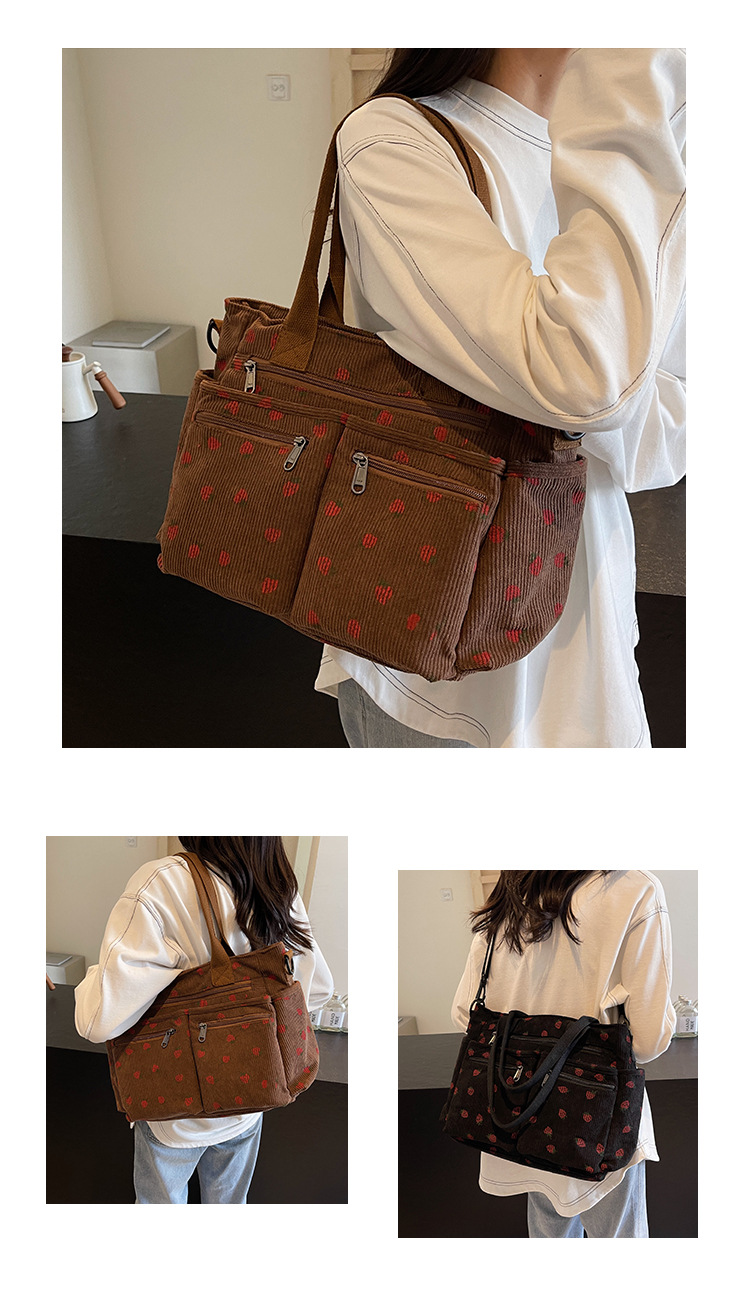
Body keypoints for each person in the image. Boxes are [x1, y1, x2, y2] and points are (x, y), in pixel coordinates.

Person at [315, 49, 686, 747]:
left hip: (592, 652)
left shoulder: (628, 151)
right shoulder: (394, 141)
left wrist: (573, 397)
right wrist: (585, 398)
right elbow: (590, 380)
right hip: (436, 688)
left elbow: (669, 429)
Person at [74, 837, 334, 1204]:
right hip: (251, 1098)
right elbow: (319, 989)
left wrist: (94, 977)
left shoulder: (162, 883)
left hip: (174, 1114)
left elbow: (96, 1021)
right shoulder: (275, 881)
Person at [450, 870, 675, 1237]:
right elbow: (649, 1041)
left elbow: (464, 1012)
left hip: (516, 1114)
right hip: (596, 1117)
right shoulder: (634, 889)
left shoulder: (513, 887)